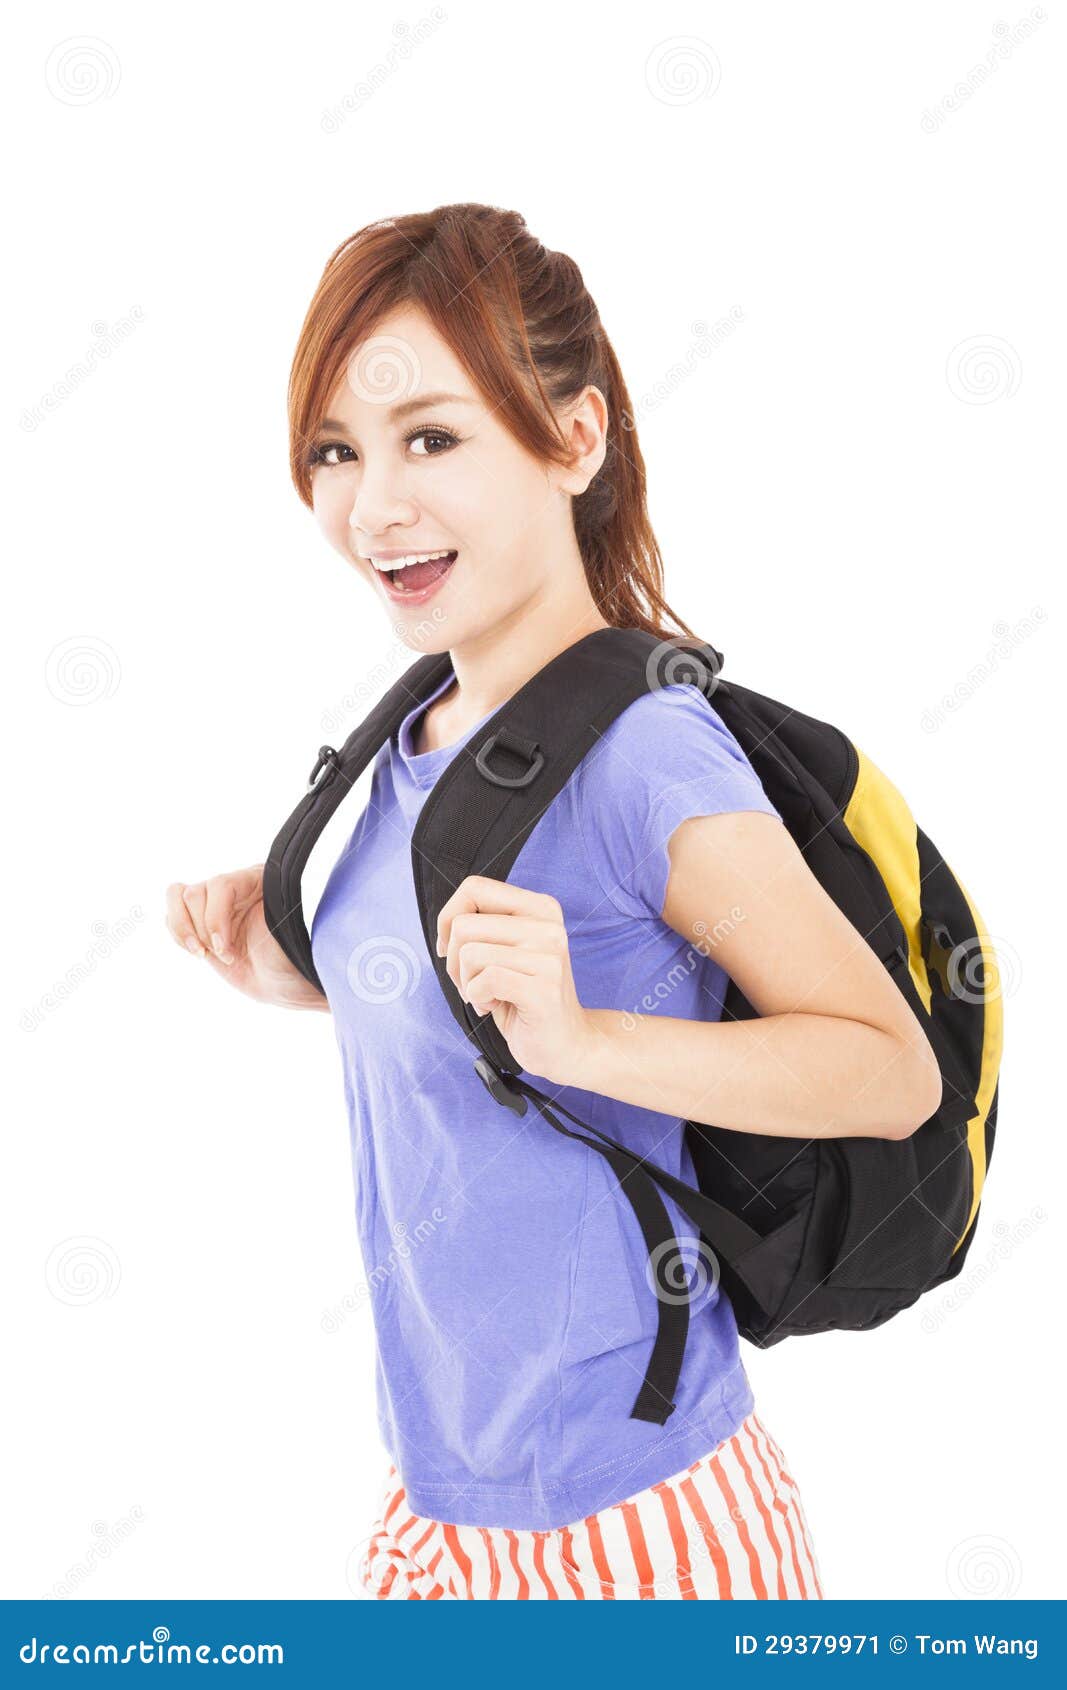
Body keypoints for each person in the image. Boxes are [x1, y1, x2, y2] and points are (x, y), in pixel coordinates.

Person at [166, 203, 942, 1600]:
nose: (373, 504)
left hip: (637, 1531)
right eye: (336, 451)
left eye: (432, 438)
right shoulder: (421, 721)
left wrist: (585, 1039)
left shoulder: (645, 756)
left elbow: (890, 1071)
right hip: (439, 1505)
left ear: (573, 440)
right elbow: (478, 1020)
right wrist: (314, 969)